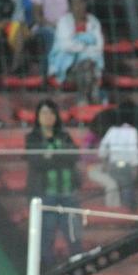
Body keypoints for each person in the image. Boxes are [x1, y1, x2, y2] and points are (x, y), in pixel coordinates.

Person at [25, 99, 81, 265]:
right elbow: (37, 162)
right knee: (46, 233)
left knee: (73, 232)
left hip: (68, 192)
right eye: (43, 112)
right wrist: (60, 156)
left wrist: (51, 155)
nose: (47, 116)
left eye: (50, 112)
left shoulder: (64, 136)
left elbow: (74, 156)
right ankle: (46, 267)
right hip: (45, 194)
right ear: (38, 116)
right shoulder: (33, 138)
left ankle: (77, 262)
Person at [49, 0, 104, 104]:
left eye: (82, 2)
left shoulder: (93, 21)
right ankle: (91, 98)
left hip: (90, 65)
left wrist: (80, 46)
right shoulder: (64, 22)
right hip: (68, 67)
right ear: (70, 7)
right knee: (86, 67)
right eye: (76, 3)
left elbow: (99, 46)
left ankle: (83, 100)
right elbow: (66, 46)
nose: (80, 6)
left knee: (87, 65)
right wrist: (86, 47)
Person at [30, 0, 75, 76]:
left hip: (67, 29)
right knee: (51, 35)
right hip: (43, 27)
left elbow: (74, 17)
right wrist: (52, 25)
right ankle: (48, 72)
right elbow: (37, 16)